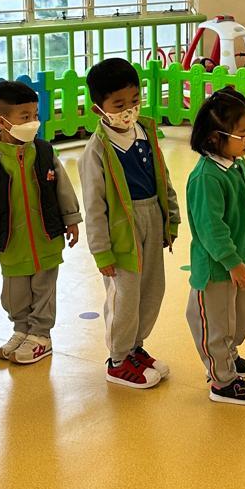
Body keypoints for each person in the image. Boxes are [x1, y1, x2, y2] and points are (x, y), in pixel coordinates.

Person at [79, 58, 181, 389]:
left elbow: (162, 177)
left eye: (134, 100)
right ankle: (118, 359)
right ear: (98, 108)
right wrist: (101, 251)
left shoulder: (145, 131)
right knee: (124, 296)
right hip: (121, 230)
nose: (129, 110)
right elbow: (94, 206)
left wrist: (171, 219)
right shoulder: (96, 151)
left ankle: (135, 347)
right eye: (119, 104)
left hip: (152, 216)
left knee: (151, 290)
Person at [0, 80, 82, 366]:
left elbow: (63, 187)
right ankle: (22, 330)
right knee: (14, 293)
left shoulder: (44, 151)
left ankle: (41, 335)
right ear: (1, 121)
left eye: (35, 115)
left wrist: (71, 219)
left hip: (47, 237)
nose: (33, 122)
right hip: (10, 241)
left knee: (44, 289)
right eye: (25, 117)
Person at [184, 88, 245, 407]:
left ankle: (229, 358)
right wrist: (231, 261)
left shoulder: (236, 164)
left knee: (241, 318)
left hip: (238, 262)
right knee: (216, 325)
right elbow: (211, 228)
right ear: (214, 137)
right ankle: (222, 381)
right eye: (242, 133)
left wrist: (242, 260)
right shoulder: (206, 178)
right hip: (218, 268)